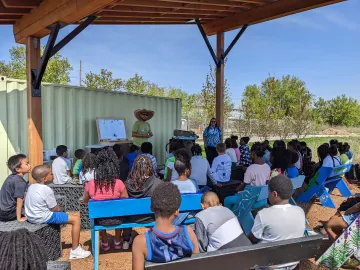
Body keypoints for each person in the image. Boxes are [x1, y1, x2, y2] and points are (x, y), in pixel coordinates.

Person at [25, 165, 91, 259]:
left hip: (31, 216)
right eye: (51, 174)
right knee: (76, 219)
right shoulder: (46, 190)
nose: (53, 175)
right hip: (43, 217)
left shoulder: (32, 186)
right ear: (45, 178)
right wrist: (59, 209)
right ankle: (75, 249)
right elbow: (55, 209)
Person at [132, 182, 199, 268]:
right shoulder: (188, 233)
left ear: (152, 208)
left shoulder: (141, 242)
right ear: (177, 211)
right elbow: (197, 264)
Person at [248, 176, 306, 269]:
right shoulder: (300, 211)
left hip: (269, 265)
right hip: (293, 264)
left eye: (268, 192)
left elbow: (253, 239)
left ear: (274, 194)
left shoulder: (263, 214)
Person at [83, 148, 129, 251]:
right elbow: (125, 201)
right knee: (119, 210)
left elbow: (85, 201)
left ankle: (104, 241)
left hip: (100, 220)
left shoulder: (91, 184)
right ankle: (117, 240)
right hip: (118, 220)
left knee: (98, 212)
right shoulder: (119, 183)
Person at [125, 155, 163, 241]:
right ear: (150, 168)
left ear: (134, 168)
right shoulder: (159, 183)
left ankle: (126, 239)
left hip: (132, 217)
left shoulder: (127, 184)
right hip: (152, 217)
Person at [0, 154, 30, 222]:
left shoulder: (11, 177)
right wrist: (19, 218)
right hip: (8, 213)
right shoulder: (20, 182)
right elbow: (19, 200)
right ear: (18, 169)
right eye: (27, 164)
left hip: (2, 210)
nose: (30, 165)